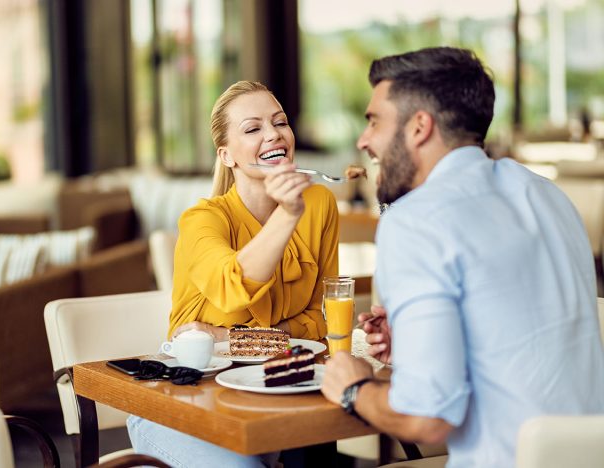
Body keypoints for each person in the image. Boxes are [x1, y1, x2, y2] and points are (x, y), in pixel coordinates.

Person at [321, 47, 604, 468]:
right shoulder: (549, 197)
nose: (365, 141)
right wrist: (420, 346)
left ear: (419, 127)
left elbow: (428, 419)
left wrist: (353, 388)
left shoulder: (416, 221)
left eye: (374, 121)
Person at [128, 80, 338, 467]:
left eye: (280, 122)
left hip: (267, 390)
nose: (274, 134)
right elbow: (233, 288)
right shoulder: (201, 220)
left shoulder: (319, 203)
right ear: (227, 156)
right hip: (183, 402)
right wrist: (288, 215)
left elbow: (319, 319)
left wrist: (231, 337)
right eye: (253, 128)